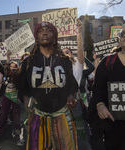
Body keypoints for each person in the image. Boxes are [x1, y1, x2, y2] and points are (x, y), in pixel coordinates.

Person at [17, 21, 78, 150]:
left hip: (62, 114)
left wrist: (71, 95)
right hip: (38, 115)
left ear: (55, 37)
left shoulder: (65, 60)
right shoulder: (28, 62)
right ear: (37, 37)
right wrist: (26, 98)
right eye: (40, 31)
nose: (44, 32)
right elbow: (22, 87)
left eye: (49, 30)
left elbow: (72, 84)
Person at [93, 21, 125, 150]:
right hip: (115, 131)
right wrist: (100, 105)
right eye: (121, 33)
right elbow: (97, 88)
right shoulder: (108, 61)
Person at [62, 19, 92, 150]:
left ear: (71, 54)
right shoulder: (58, 67)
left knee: (81, 133)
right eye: (62, 53)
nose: (65, 54)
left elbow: (81, 50)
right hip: (61, 105)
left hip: (76, 103)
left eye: (67, 52)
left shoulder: (77, 65)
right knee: (64, 132)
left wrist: (79, 31)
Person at [0, 50, 22, 144]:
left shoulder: (17, 74)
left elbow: (14, 77)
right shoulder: (6, 73)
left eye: (14, 66)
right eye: (10, 66)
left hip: (15, 96)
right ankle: (0, 132)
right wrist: (7, 58)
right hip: (6, 95)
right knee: (3, 114)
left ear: (17, 67)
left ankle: (17, 132)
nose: (11, 68)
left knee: (16, 115)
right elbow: (4, 70)